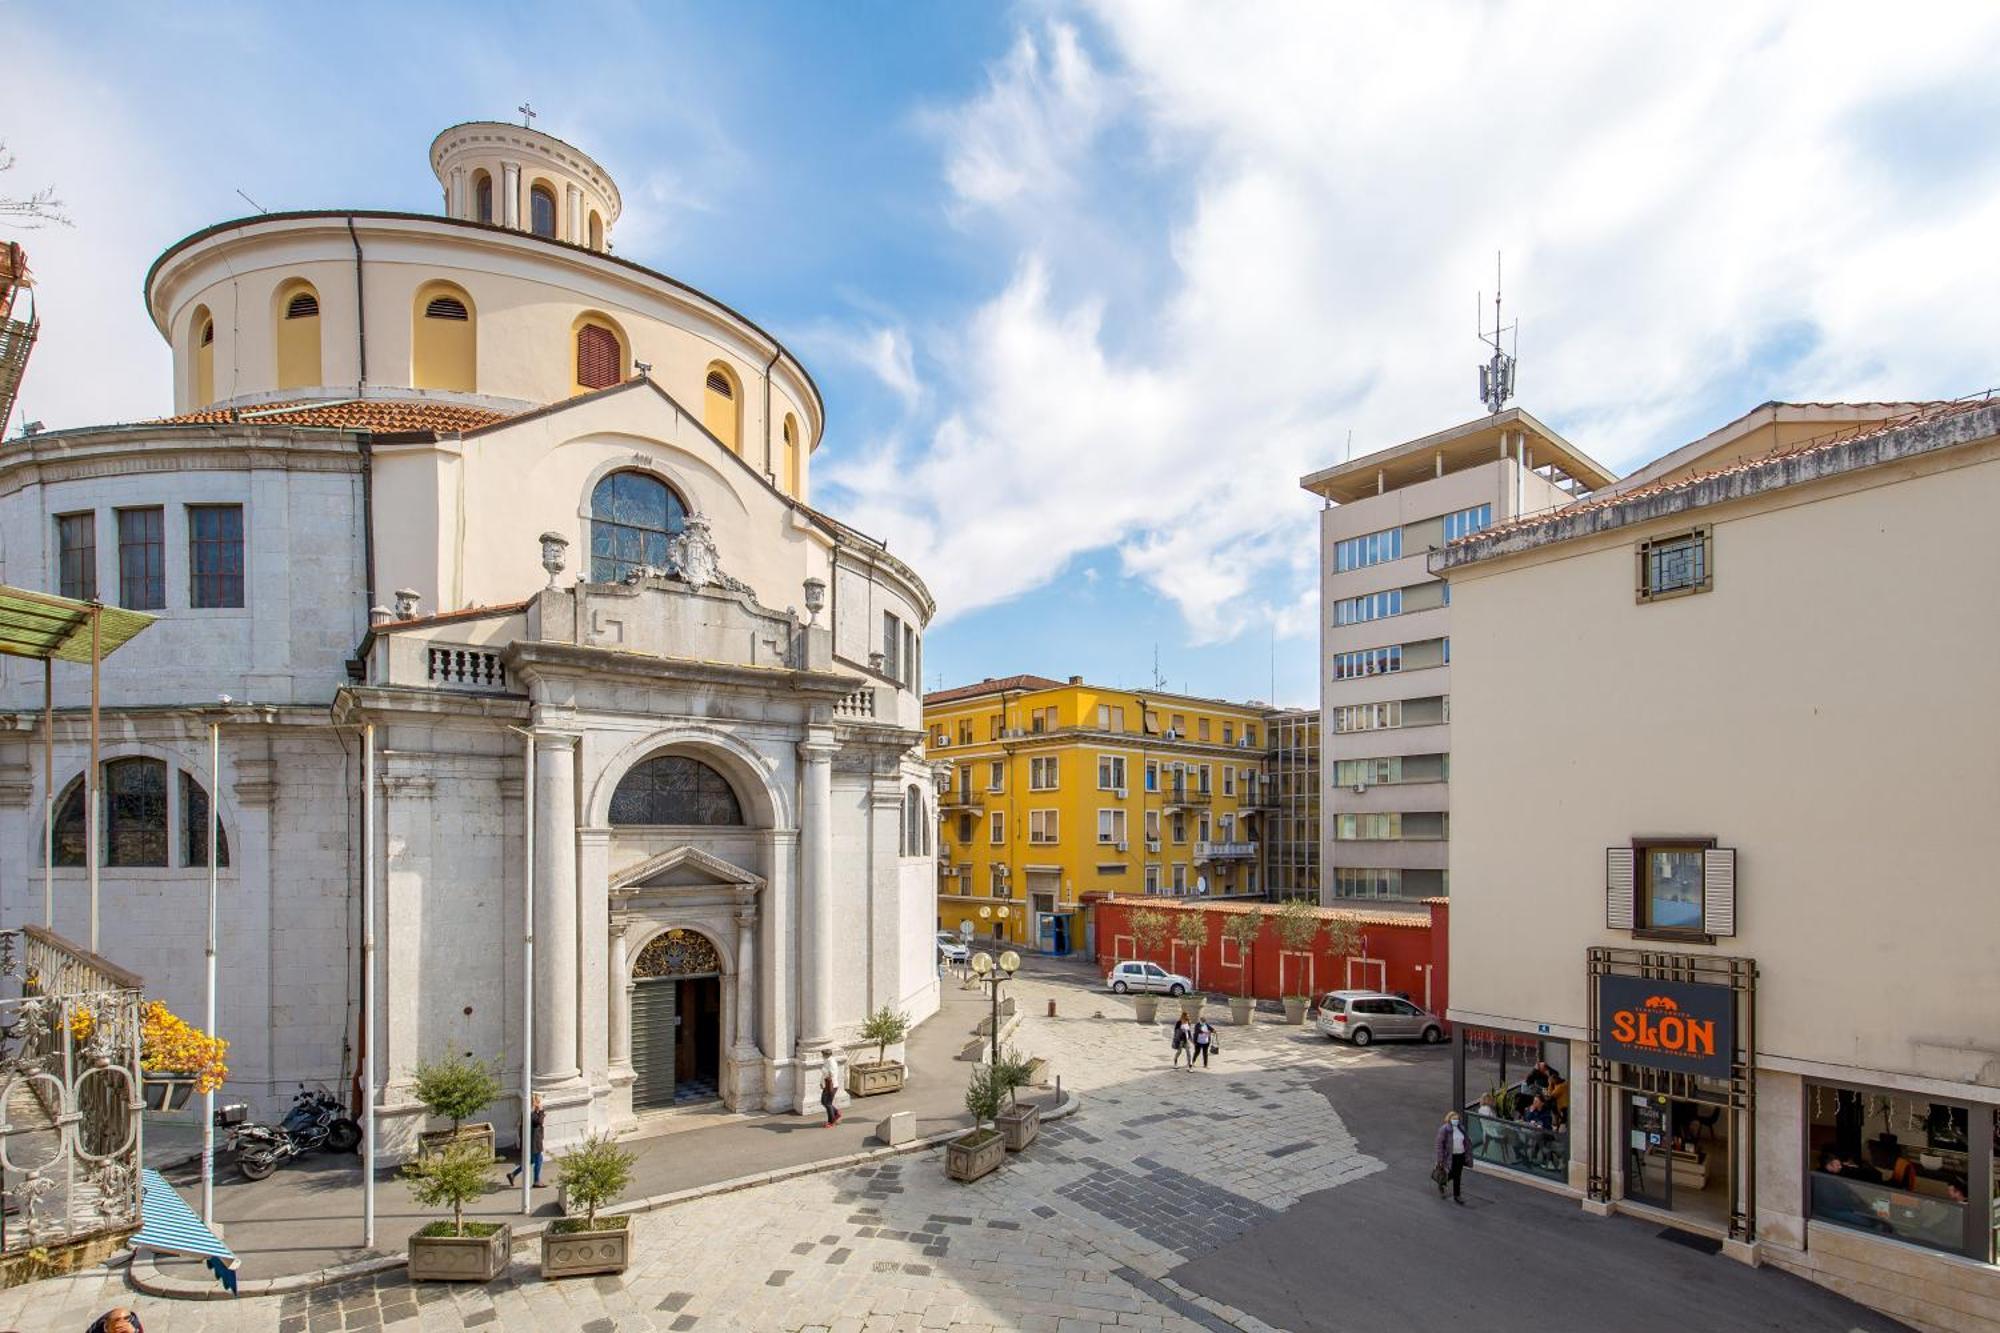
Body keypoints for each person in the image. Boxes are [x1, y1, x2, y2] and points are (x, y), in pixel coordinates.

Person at [505, 1094, 544, 1188]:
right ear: (535, 1103)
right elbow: (539, 1122)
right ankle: (536, 1181)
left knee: (529, 1161)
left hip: (531, 1141)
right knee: (538, 1160)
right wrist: (541, 1111)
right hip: (534, 1142)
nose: (540, 1104)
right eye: (539, 1102)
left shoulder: (528, 1112)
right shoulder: (532, 1113)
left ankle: (513, 1174)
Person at [1435, 1110, 1470, 1203]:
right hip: (1451, 1156)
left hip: (1460, 1155)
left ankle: (1457, 1195)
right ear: (1449, 1119)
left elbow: (1466, 1141)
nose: (1456, 1120)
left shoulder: (1461, 1128)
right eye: (1454, 1119)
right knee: (1454, 1173)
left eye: (1457, 1119)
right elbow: (1439, 1145)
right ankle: (1443, 1182)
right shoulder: (1444, 1129)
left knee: (1458, 1175)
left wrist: (1467, 1154)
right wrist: (1440, 1159)